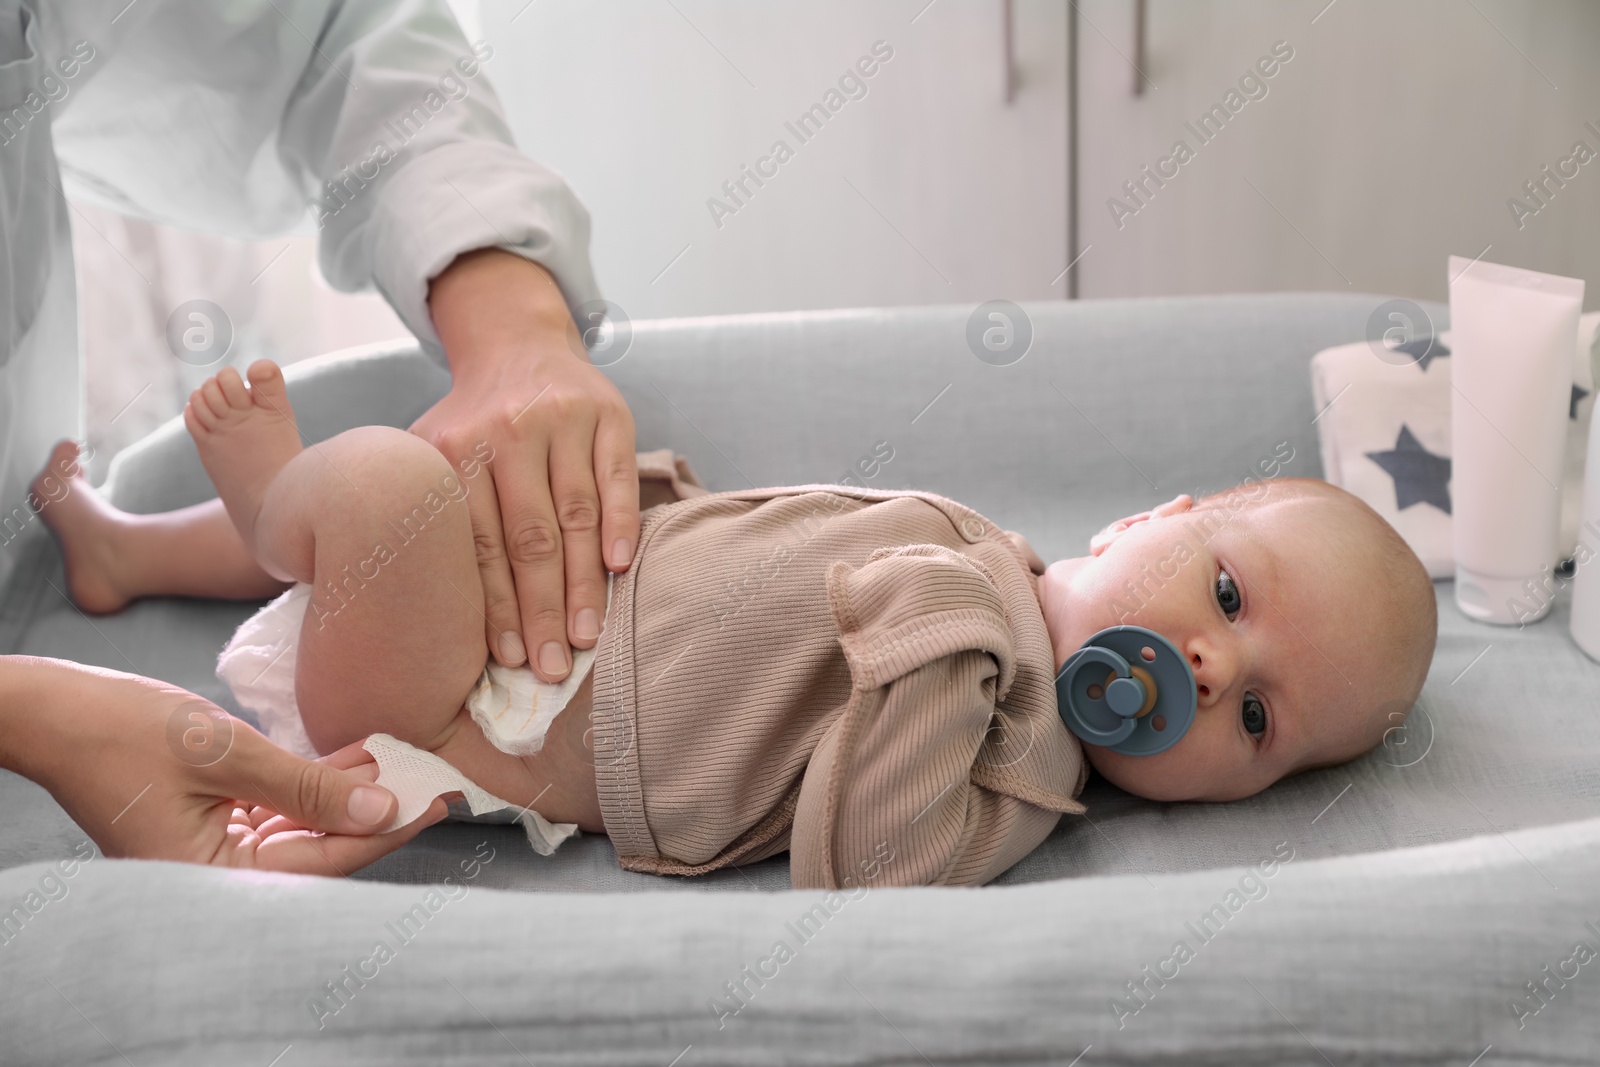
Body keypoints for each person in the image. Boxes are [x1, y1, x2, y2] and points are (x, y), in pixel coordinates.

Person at [36, 359, 1439, 887]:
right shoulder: (998, 554)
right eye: (1231, 594)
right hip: (557, 604)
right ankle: (130, 549)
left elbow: (870, 864)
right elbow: (792, 560)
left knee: (388, 494)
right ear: (1152, 517)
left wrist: (956, 627)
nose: (1206, 665)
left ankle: (282, 490)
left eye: (1257, 718)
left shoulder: (1025, 767)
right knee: (455, 495)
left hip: (475, 711)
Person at [0, 1, 634, 869]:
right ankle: (224, 524)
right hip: (548, 624)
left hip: (521, 644)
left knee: (405, 505)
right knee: (393, 492)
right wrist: (28, 715)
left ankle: (147, 544)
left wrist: (512, 327)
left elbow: (330, 37)